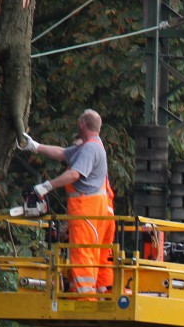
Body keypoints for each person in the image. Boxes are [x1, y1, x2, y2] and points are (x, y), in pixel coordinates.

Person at [18, 109, 116, 295]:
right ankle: (100, 294)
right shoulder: (90, 146)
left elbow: (73, 174)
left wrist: (45, 186)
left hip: (85, 210)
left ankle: (84, 298)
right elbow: (62, 153)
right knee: (94, 255)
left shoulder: (90, 148)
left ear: (82, 125)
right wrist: (35, 146)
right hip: (91, 210)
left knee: (82, 254)